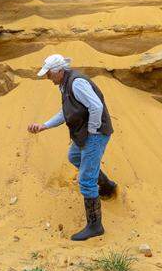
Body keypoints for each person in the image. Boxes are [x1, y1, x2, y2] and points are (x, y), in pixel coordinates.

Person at [27, 53, 117, 241]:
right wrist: (45, 125)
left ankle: (95, 226)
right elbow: (66, 111)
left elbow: (96, 107)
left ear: (58, 71)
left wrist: (92, 130)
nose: (47, 77)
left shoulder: (76, 83)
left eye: (49, 74)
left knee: (85, 179)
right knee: (74, 157)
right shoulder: (64, 84)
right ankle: (107, 186)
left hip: (95, 134)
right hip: (84, 133)